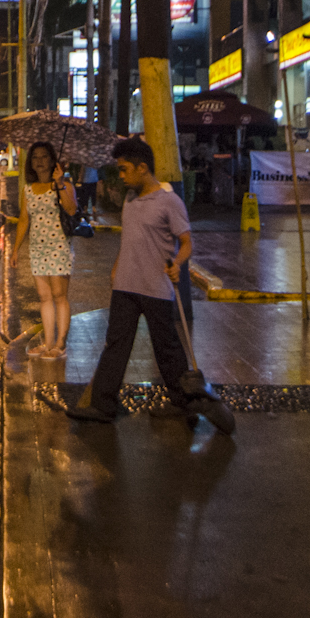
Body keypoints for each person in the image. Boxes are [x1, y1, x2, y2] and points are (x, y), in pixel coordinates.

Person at [66, 138, 195, 424]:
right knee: (116, 345)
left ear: (142, 167)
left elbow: (186, 242)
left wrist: (177, 263)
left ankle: (184, 403)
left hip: (156, 287)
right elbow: (129, 238)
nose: (121, 176)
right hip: (125, 285)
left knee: (167, 348)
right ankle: (103, 405)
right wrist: (116, 268)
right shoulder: (130, 199)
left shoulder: (169, 201)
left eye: (124, 169)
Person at [15, 142, 76, 358]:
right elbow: (24, 220)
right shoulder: (28, 189)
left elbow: (71, 209)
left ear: (52, 161)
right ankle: (48, 343)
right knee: (44, 296)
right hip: (37, 248)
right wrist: (15, 250)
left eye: (44, 157)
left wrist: (59, 184)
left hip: (59, 246)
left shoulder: (64, 185)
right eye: (35, 157)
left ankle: (60, 344)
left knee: (59, 295)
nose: (39, 161)